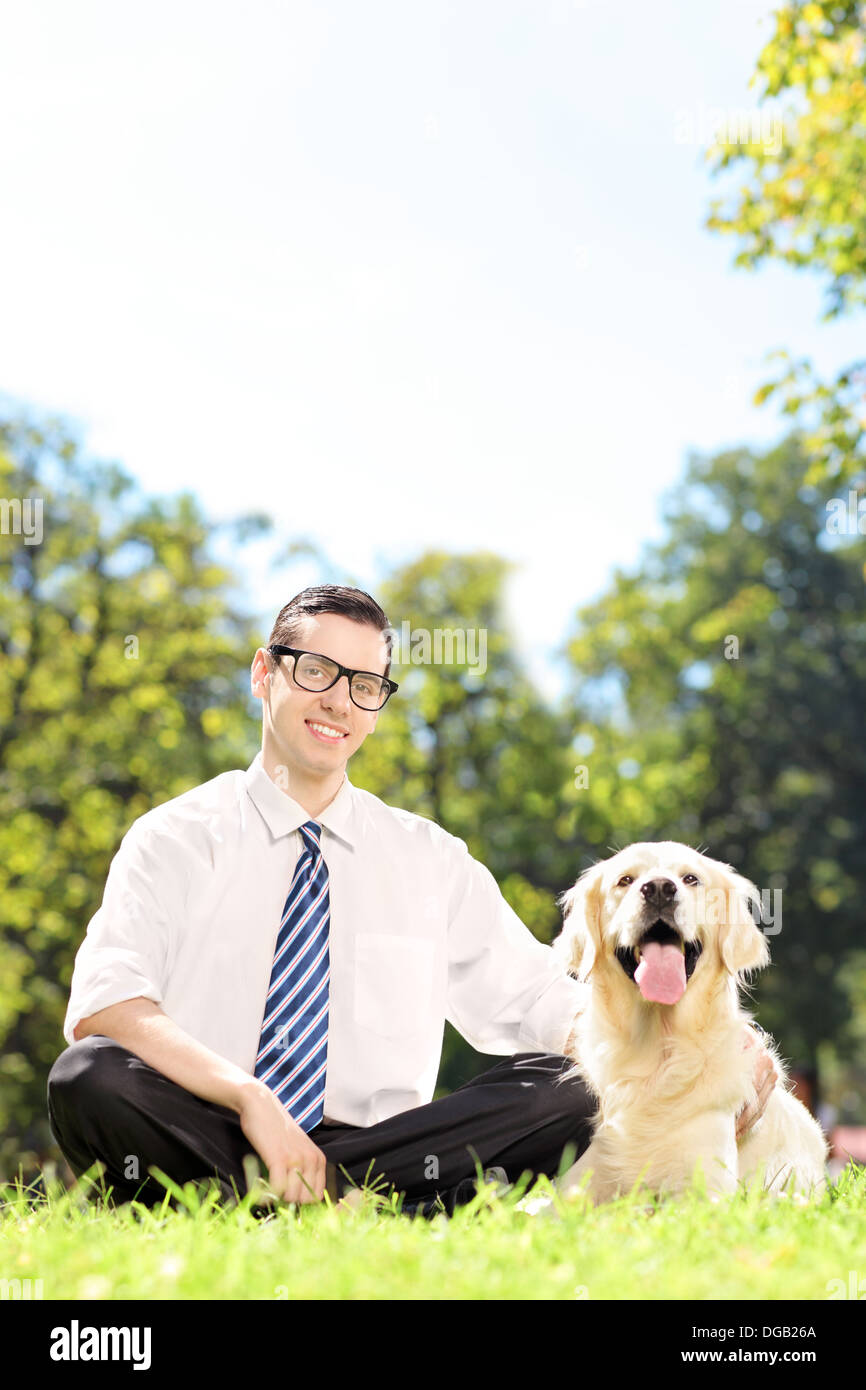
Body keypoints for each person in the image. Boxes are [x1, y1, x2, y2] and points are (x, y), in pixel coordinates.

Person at [47, 585, 777, 1217]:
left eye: (366, 684)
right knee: (90, 1078)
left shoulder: (430, 859)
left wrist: (723, 1045)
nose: (340, 700)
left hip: (386, 1153)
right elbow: (107, 1003)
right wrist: (250, 1100)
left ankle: (322, 1195)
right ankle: (332, 1204)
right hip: (210, 1122)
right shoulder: (174, 837)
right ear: (264, 673)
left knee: (569, 1087)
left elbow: (543, 1004)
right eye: (317, 671)